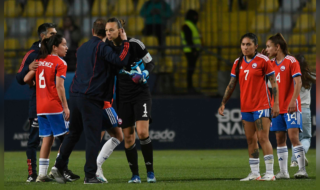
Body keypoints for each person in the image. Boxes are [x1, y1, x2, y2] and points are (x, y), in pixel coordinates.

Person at [51, 18, 130, 184]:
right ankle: (90, 176)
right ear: (105, 33)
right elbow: (121, 61)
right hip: (91, 98)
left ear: (93, 31)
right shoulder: (102, 47)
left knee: (73, 134)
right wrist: (124, 42)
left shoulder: (82, 48)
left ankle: (58, 166)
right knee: (93, 138)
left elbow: (103, 66)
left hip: (76, 94)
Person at [218, 33, 279, 181]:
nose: (245, 47)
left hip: (262, 105)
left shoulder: (263, 60)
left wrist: (275, 103)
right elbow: (232, 84)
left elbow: (274, 83)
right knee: (251, 140)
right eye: (243, 44)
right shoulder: (238, 62)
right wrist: (223, 102)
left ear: (256, 46)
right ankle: (254, 173)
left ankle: (270, 173)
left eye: (248, 44)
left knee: (263, 137)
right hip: (246, 107)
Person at [104, 18, 156, 183]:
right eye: (106, 30)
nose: (108, 33)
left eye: (111, 30)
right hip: (123, 97)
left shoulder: (135, 44)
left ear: (120, 30)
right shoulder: (108, 49)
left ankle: (150, 173)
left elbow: (151, 63)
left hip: (141, 93)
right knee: (128, 138)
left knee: (142, 132)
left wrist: (144, 75)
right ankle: (135, 175)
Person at [23, 34, 70, 182]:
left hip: (40, 106)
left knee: (47, 139)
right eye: (63, 44)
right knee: (66, 138)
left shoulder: (39, 60)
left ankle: (42, 175)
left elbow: (25, 79)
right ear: (54, 47)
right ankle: (58, 168)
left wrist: (34, 84)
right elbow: (59, 86)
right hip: (53, 105)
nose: (67, 47)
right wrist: (66, 107)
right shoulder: (60, 62)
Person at [263, 33, 308, 179]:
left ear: (278, 47)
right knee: (279, 138)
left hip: (291, 106)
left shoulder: (291, 61)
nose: (267, 49)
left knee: (293, 137)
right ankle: (284, 172)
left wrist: (292, 101)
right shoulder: (270, 63)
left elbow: (298, 82)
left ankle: (302, 169)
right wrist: (264, 57)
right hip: (277, 108)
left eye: (269, 46)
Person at [290, 54, 316, 167]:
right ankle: (299, 155)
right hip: (304, 109)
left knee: (294, 137)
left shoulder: (289, 76)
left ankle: (294, 161)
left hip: (292, 108)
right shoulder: (309, 76)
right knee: (305, 137)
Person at [181, 9, 202, 94]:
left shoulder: (191, 25)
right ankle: (190, 87)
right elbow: (188, 39)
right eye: (195, 16)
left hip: (193, 50)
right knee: (190, 69)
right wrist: (194, 50)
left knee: (191, 69)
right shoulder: (187, 25)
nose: (197, 18)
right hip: (190, 51)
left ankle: (190, 87)